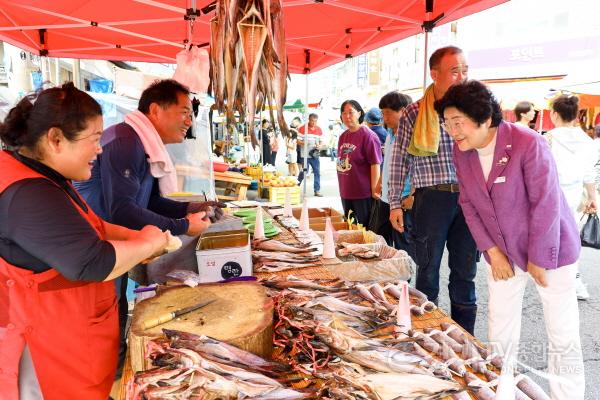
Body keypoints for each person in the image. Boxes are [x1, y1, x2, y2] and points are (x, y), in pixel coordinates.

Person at [0, 83, 172, 399]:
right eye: (94, 139)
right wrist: (148, 244)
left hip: (73, 347)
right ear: (55, 140)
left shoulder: (46, 176)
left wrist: (134, 238)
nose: (100, 149)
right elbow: (92, 263)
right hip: (47, 360)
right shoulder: (28, 194)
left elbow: (90, 226)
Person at [435, 79, 585, 400]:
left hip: (550, 250)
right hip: (500, 249)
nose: (452, 131)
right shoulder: (460, 151)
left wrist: (539, 258)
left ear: (485, 119)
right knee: (500, 327)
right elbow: (469, 204)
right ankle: (500, 391)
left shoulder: (527, 142)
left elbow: (546, 204)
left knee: (561, 332)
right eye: (447, 124)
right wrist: (491, 250)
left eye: (458, 123)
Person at [75, 79, 220, 378]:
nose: (189, 120)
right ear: (155, 110)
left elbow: (150, 200)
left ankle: (112, 375)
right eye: (183, 111)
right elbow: (123, 210)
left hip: (113, 247)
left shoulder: (141, 143)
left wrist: (191, 209)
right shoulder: (125, 141)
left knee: (112, 319)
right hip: (97, 249)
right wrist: (182, 226)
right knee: (99, 326)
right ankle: (107, 381)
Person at [388, 46, 478, 334]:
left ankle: (465, 337)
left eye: (465, 70)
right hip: (431, 198)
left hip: (470, 198)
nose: (462, 76)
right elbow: (399, 160)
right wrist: (394, 204)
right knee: (427, 271)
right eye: (455, 71)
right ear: (434, 74)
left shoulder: (476, 109)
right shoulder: (415, 112)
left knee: (465, 273)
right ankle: (428, 333)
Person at [546, 94, 597, 300]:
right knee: (572, 236)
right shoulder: (587, 140)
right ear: (576, 115)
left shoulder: (547, 138)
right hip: (576, 193)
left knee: (551, 235)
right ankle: (573, 280)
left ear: (554, 114)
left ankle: (551, 276)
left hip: (551, 193)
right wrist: (592, 197)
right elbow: (588, 173)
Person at [374, 91, 413, 255]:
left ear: (403, 111)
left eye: (388, 113)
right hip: (385, 198)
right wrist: (379, 182)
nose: (385, 117)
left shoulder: (413, 136)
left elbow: (416, 170)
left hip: (403, 200)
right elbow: (388, 162)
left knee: (403, 246)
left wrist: (412, 194)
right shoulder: (389, 134)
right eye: (383, 113)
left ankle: (404, 280)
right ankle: (385, 277)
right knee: (381, 241)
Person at [337, 100, 382, 225]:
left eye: (350, 112)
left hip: (363, 194)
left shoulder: (369, 136)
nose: (347, 116)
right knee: (351, 229)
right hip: (346, 192)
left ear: (359, 113)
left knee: (365, 231)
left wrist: (374, 190)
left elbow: (375, 163)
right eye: (344, 113)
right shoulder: (343, 136)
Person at [298, 113, 324, 197]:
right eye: (312, 121)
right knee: (304, 172)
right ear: (309, 120)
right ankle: (296, 186)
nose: (313, 123)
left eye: (315, 121)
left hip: (315, 155)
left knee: (317, 172)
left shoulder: (319, 129)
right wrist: (304, 142)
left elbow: (321, 141)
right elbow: (297, 141)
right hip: (305, 155)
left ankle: (317, 190)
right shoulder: (302, 128)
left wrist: (320, 145)